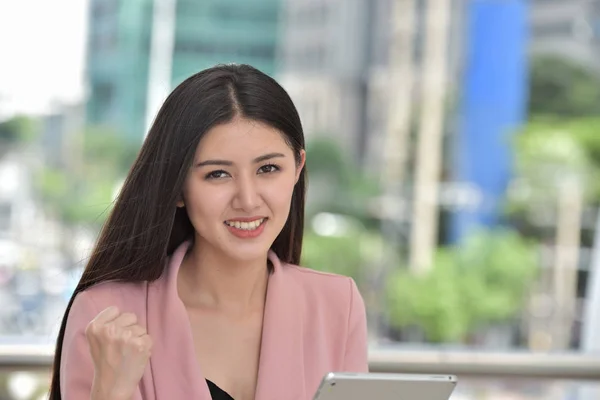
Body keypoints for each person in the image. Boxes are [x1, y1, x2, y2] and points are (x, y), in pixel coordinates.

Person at [48, 64, 368, 400]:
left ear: (297, 168)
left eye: (268, 169)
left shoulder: (337, 307)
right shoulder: (105, 317)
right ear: (178, 188)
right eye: (217, 174)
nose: (247, 200)